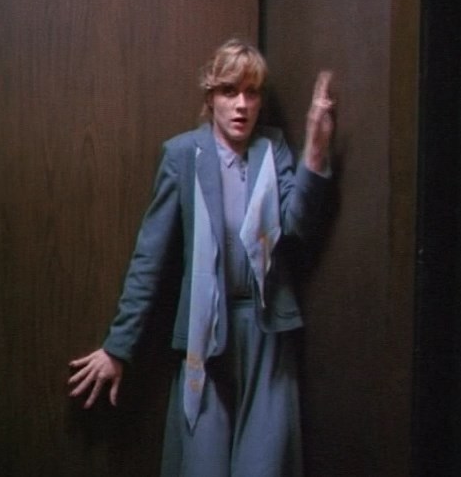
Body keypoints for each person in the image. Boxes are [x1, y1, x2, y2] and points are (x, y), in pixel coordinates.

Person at [68, 38, 334, 477]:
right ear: (210, 97)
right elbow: (149, 259)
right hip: (203, 335)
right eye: (229, 91)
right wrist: (118, 347)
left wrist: (316, 149)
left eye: (251, 92)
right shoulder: (183, 155)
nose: (241, 105)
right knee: (202, 465)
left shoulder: (272, 149)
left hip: (266, 332)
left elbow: (297, 226)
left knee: (265, 466)